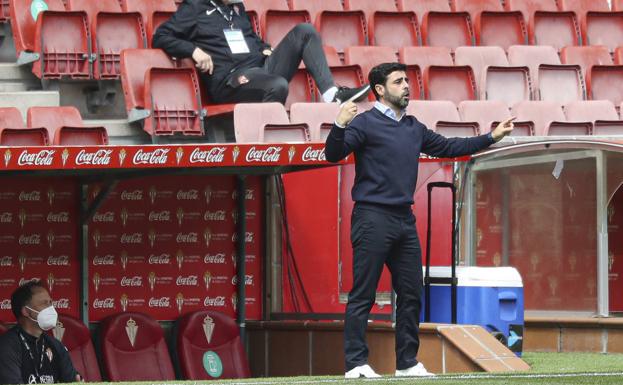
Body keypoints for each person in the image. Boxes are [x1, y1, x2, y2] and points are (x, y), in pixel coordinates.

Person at [325, 62, 515, 378]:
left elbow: (451, 147)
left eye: (407, 80)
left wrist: (491, 137)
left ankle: (407, 363)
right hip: (372, 217)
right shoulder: (364, 124)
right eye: (398, 81)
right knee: (364, 294)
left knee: (412, 292)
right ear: (380, 90)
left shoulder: (413, 127)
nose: (406, 85)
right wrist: (339, 125)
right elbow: (333, 154)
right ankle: (356, 364)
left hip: (403, 220)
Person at [153, 0, 370, 105]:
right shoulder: (195, 8)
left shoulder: (236, 8)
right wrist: (193, 50)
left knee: (305, 31)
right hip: (232, 79)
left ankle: (332, 95)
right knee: (278, 85)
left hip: (261, 68)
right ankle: (267, 141)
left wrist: (264, 47)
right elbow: (160, 36)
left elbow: (250, 38)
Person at [0, 281, 82, 384]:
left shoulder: (55, 345)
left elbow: (73, 380)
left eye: (51, 302)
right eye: (45, 303)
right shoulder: (7, 345)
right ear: (26, 311)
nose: (51, 308)